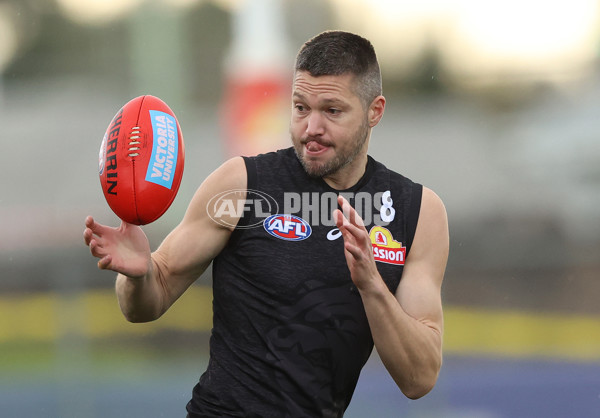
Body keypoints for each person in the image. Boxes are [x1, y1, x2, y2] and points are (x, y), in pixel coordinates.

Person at [84, 30, 449, 417]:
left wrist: (372, 286)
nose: (311, 127)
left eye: (332, 110)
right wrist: (139, 276)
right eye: (300, 107)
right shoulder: (240, 185)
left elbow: (419, 379)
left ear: (375, 111)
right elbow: (144, 305)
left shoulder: (417, 211)